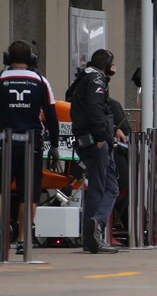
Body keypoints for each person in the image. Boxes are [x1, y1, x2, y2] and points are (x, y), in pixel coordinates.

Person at [0, 40, 56, 253]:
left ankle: (2, 235)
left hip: (3, 142)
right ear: (31, 59)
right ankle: (23, 240)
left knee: (1, 189)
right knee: (29, 192)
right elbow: (51, 116)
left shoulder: (1, 79)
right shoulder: (41, 81)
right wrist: (54, 146)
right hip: (31, 142)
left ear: (7, 58)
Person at [68, 49, 119, 254]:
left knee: (100, 186)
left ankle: (90, 238)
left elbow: (69, 97)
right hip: (95, 142)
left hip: (83, 140)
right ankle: (96, 227)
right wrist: (101, 137)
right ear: (106, 65)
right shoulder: (96, 80)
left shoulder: (83, 78)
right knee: (107, 187)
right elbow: (95, 108)